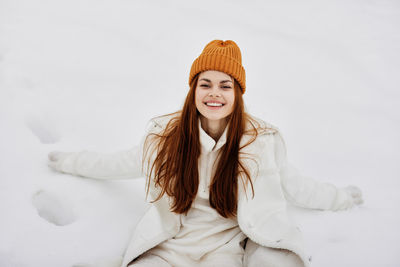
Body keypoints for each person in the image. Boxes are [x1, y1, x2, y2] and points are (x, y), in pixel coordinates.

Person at [48, 39, 363, 267]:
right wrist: (70, 162)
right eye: (205, 84)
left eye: (225, 86)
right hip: (169, 243)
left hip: (224, 248)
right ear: (193, 91)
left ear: (237, 94)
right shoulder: (166, 138)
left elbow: (296, 186)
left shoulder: (261, 142)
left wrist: (341, 198)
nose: (215, 93)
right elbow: (119, 163)